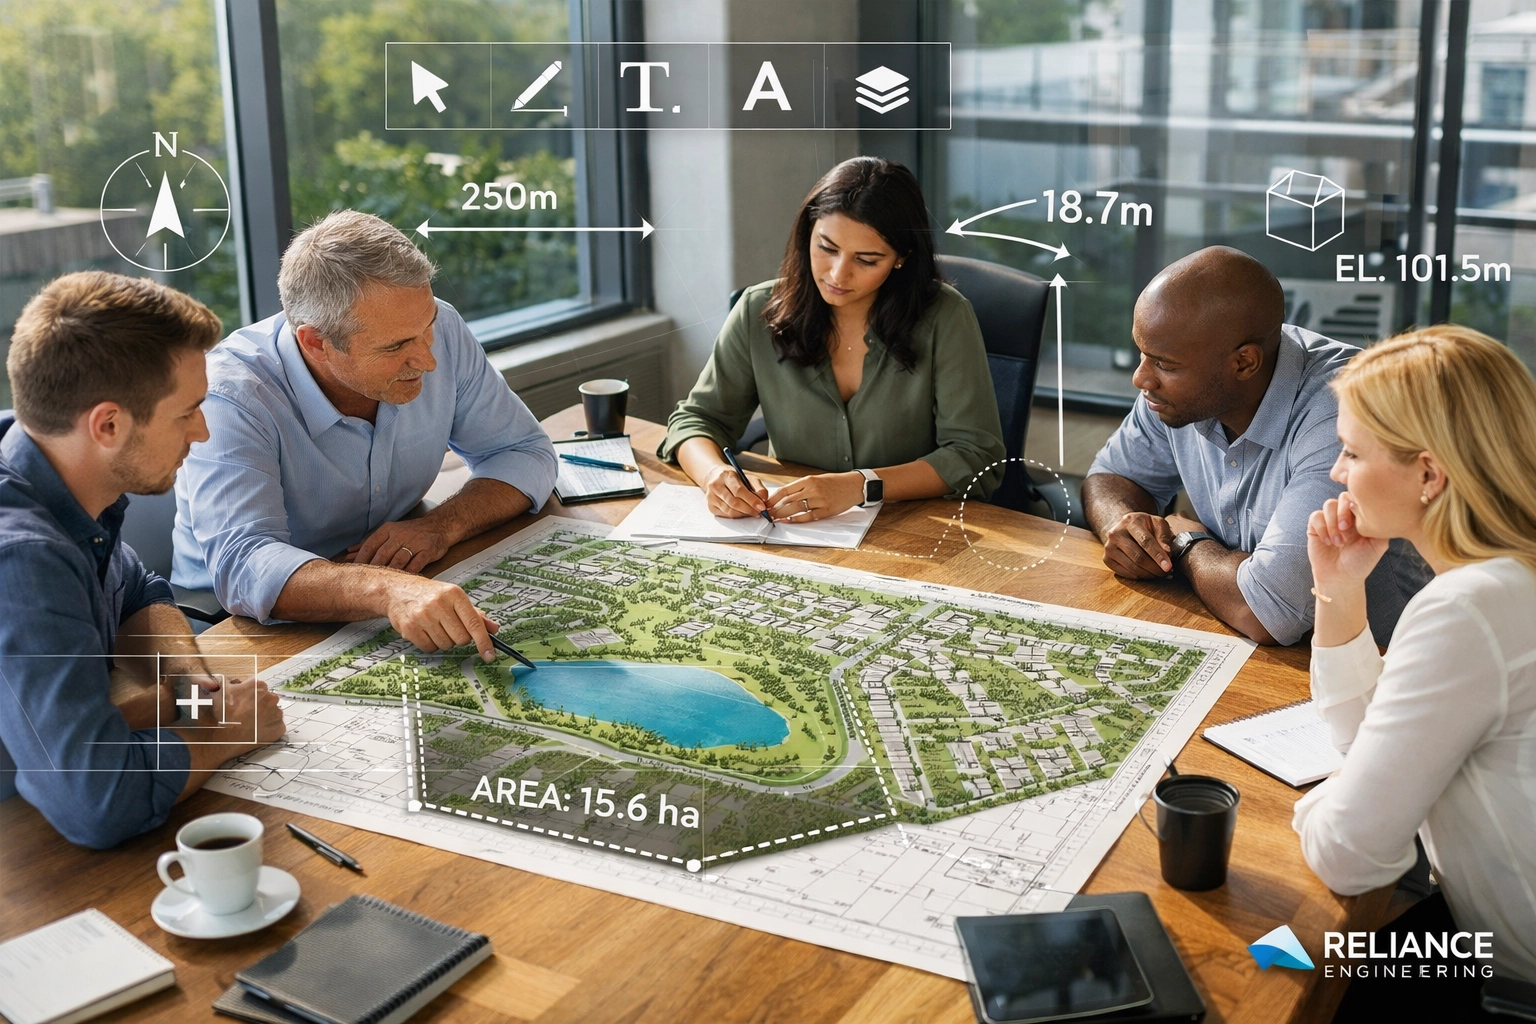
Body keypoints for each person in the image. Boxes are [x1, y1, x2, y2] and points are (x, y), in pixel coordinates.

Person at [173, 211, 557, 660]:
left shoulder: (437, 328)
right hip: (237, 627)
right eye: (396, 347)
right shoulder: (230, 396)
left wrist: (439, 527)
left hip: (391, 589)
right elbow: (245, 565)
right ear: (316, 343)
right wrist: (387, 590)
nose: (428, 360)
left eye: (427, 327)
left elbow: (523, 451)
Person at [1293, 326, 1536, 1016]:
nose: (1336, 473)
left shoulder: (1470, 608)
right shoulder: (1504, 580)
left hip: (1508, 986)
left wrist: (1336, 795)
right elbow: (1363, 735)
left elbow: (1351, 854)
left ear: (1429, 475)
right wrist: (1340, 591)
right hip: (1485, 950)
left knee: (1265, 962)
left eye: (1351, 451)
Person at [0, 272, 286, 848]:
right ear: (108, 424)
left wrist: (193, 695)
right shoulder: (23, 559)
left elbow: (133, 590)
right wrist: (226, 731)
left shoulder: (55, 471)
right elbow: (97, 801)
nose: (202, 432)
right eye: (187, 412)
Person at [1082, 246, 1431, 645]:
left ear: (1245, 363)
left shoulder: (1342, 411)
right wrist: (1129, 531)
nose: (1141, 378)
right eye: (1143, 354)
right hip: (1266, 646)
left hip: (1387, 658)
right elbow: (1111, 476)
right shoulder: (1177, 391)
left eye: (1164, 364)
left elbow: (1264, 612)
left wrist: (1186, 542)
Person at [659, 156, 1006, 521]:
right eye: (826, 248)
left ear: (901, 258)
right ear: (808, 232)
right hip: (792, 528)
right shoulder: (757, 310)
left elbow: (974, 455)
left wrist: (861, 485)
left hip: (915, 526)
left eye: (867, 260)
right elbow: (696, 420)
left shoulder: (946, 317)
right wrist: (713, 475)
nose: (838, 274)